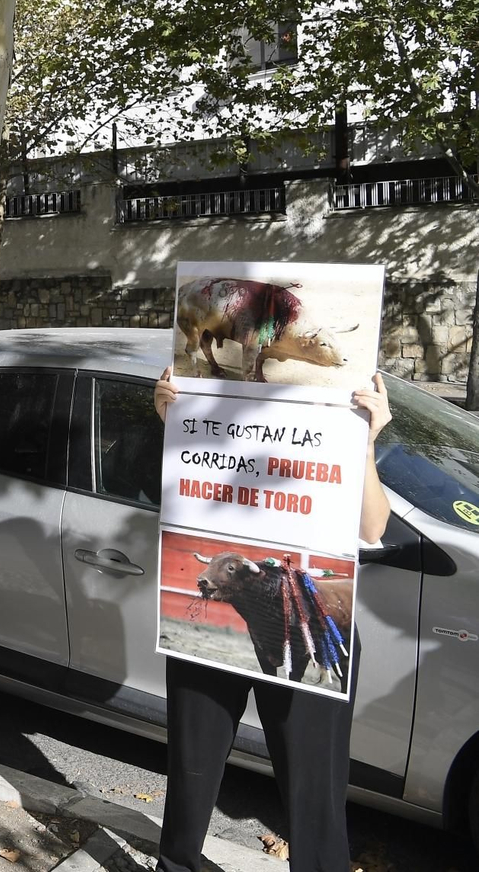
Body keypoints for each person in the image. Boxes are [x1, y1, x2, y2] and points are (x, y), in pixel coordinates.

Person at [153, 367, 392, 872]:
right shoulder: (211, 396)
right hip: (228, 619)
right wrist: (172, 421)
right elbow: (179, 491)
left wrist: (366, 441)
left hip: (311, 618)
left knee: (316, 785)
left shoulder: (335, 407)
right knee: (192, 767)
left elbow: (373, 526)